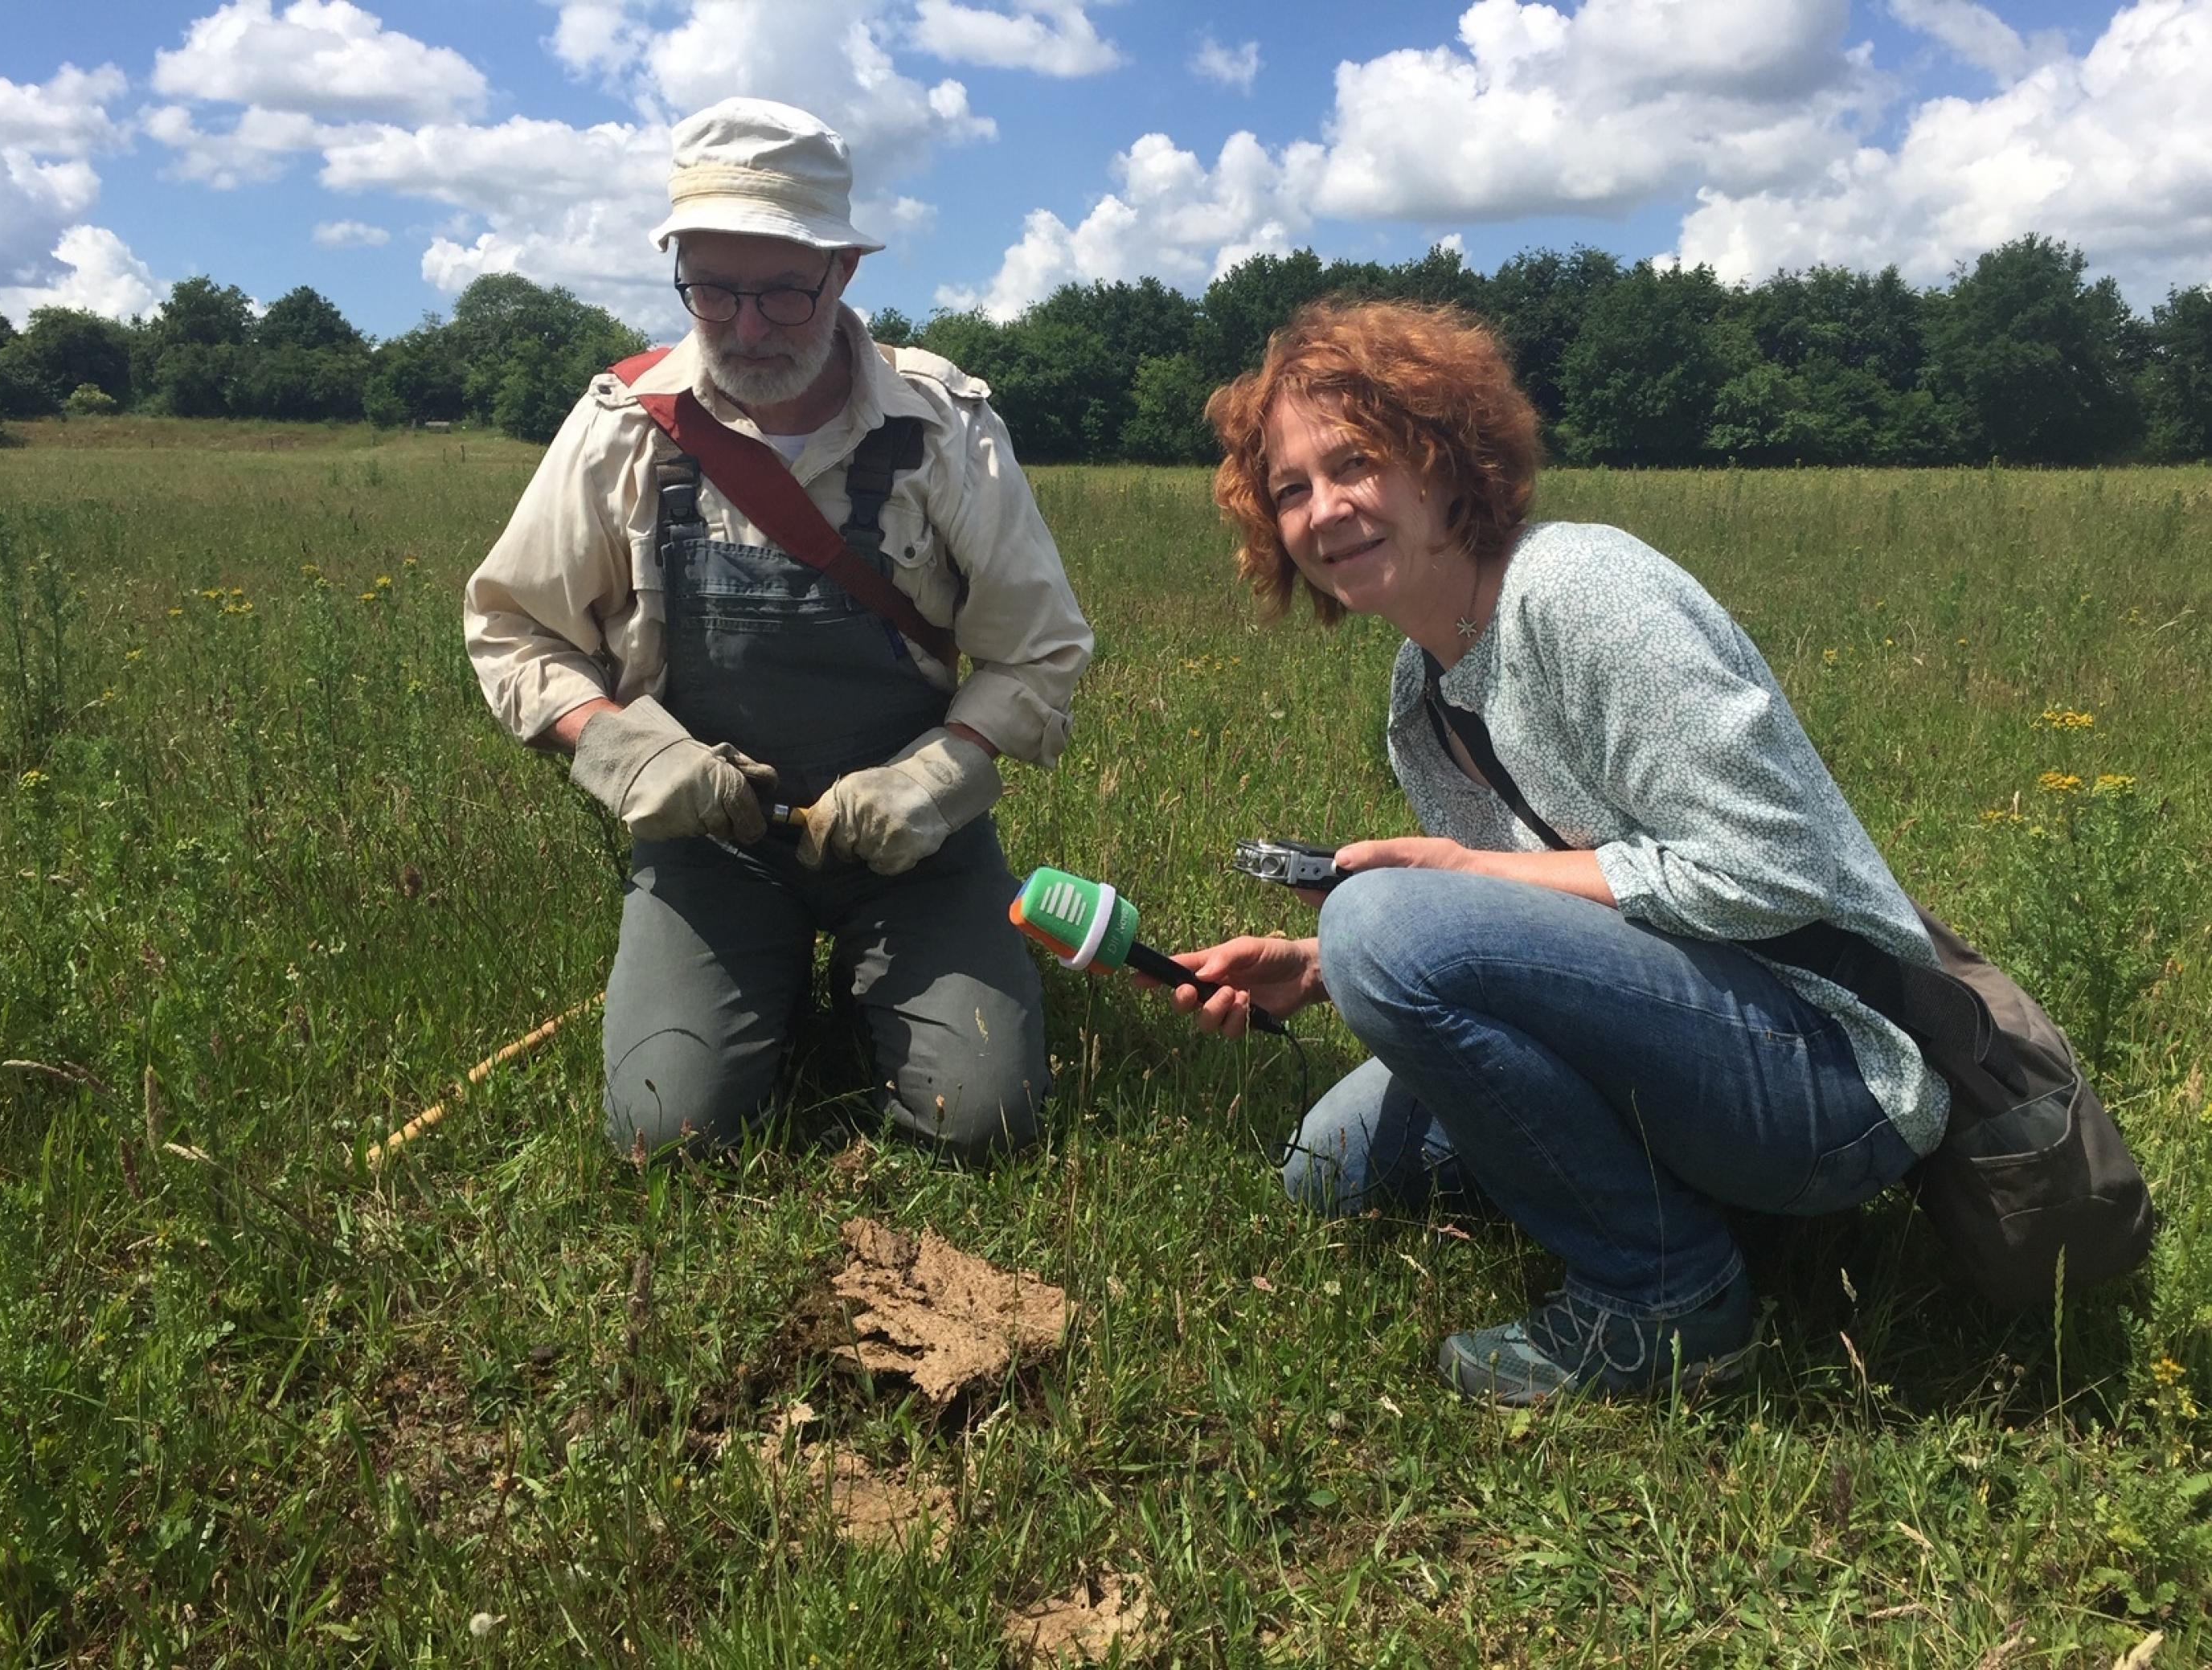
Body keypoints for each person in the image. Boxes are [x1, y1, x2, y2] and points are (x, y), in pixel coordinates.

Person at [1165, 299, 1949, 1405]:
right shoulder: (1422, 694)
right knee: (1325, 1169)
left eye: (1355, 463)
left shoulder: (1581, 589)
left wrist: (1442, 891)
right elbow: (1545, 941)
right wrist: (1322, 966)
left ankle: (1667, 1297)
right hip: (1694, 1033)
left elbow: (1774, 868)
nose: (1325, 508)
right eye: (1291, 488)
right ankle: (1684, 1196)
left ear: (1444, 462)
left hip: (1833, 1067)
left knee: (1381, 917)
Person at [465, 98, 1092, 1164]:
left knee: (983, 1119)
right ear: (679, 270)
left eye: (784, 292)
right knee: (666, 1127)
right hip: (714, 847)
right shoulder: (624, 426)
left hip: (914, 852)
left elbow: (1040, 650)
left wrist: (933, 783)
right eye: (713, 288)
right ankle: (754, 988)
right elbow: (512, 627)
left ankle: (860, 988)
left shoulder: (942, 429)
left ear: (843, 270)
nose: (748, 327)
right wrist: (623, 750)